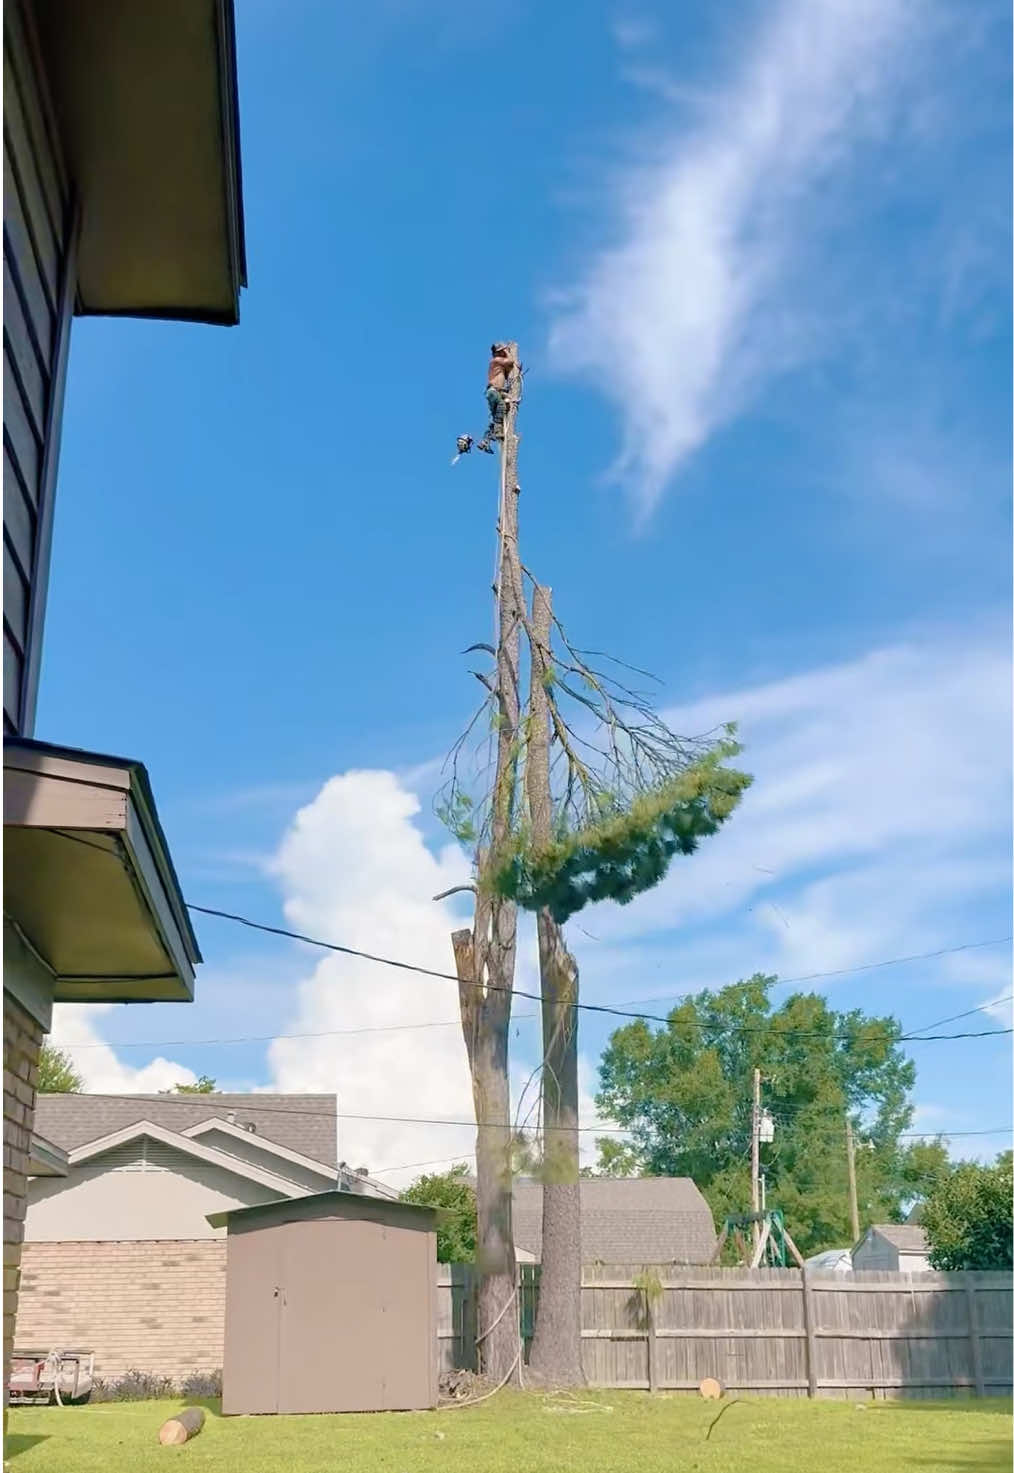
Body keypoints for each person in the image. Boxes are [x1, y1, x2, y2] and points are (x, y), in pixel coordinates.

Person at [479, 343, 516, 450]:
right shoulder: (495, 360)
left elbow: (509, 368)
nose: (502, 353)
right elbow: (510, 362)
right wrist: (508, 352)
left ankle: (486, 440)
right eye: (500, 351)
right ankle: (498, 431)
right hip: (493, 391)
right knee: (501, 405)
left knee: (497, 416)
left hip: (496, 391)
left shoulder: (499, 365)